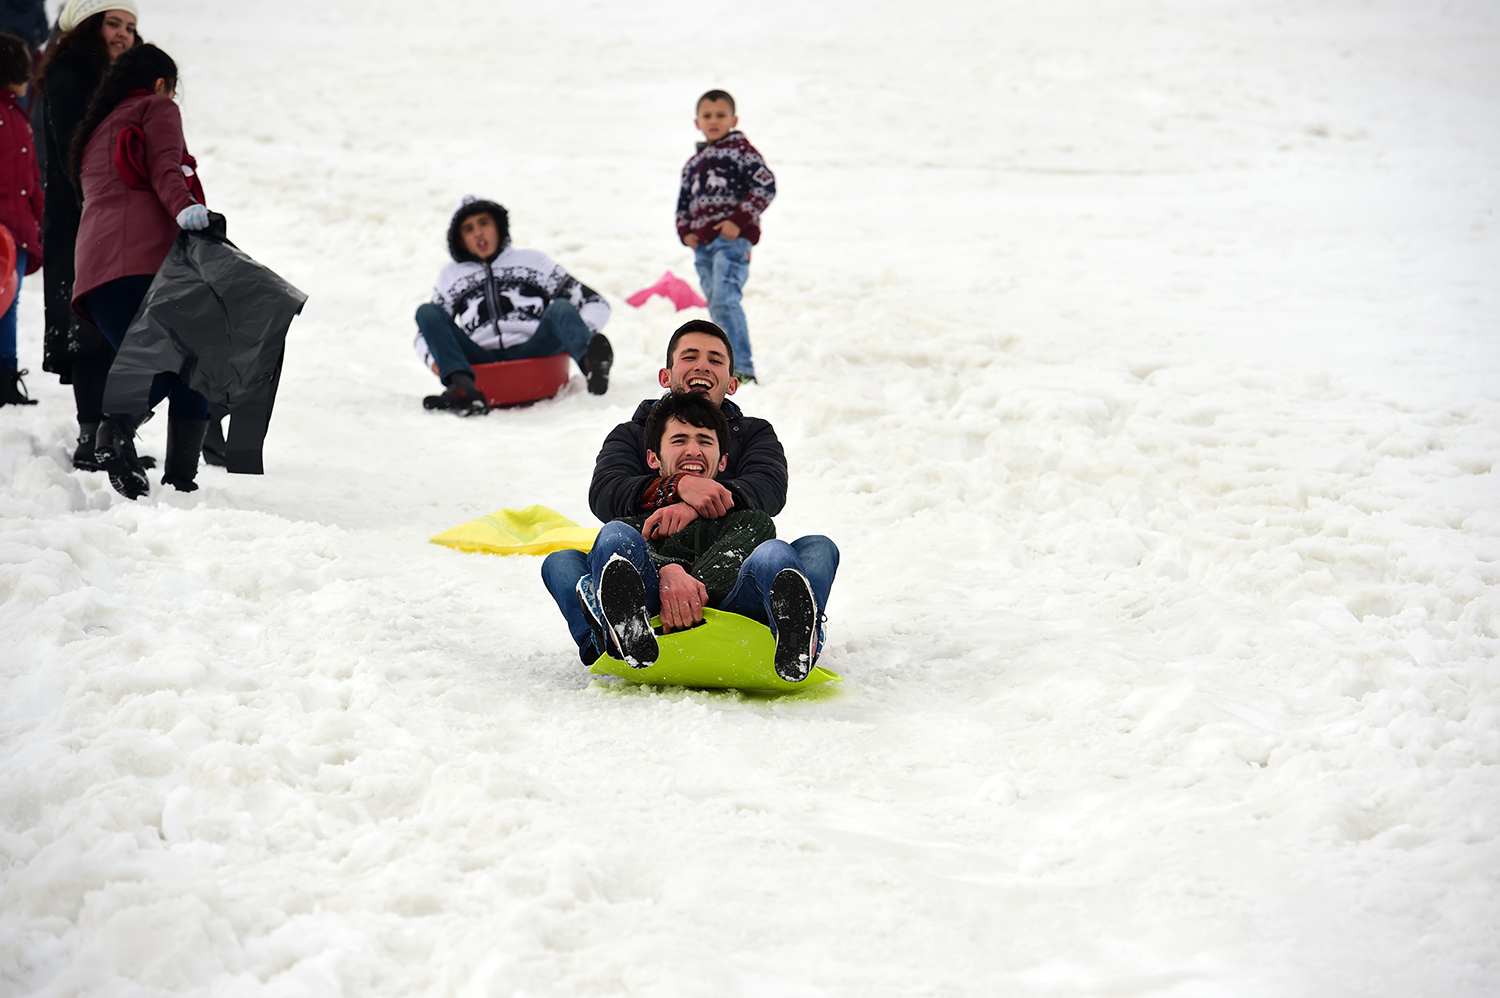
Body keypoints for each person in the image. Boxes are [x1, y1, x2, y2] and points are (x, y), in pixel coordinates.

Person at [544, 391, 837, 681]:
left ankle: (798, 638)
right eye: (679, 440)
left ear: (723, 461)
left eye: (705, 441)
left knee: (779, 554)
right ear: (653, 458)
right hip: (651, 617)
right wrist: (669, 571)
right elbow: (616, 530)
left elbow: (744, 549)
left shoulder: (746, 519)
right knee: (595, 545)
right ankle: (617, 633)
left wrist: (687, 589)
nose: (693, 450)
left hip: (734, 616)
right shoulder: (637, 521)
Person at [71, 42, 209, 499]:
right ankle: (160, 465)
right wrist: (186, 210)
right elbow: (164, 167)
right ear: (159, 84)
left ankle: (131, 452)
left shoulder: (94, 129)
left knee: (170, 362)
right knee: (193, 361)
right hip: (145, 258)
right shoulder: (157, 107)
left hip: (94, 270)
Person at [31, 2, 140, 462]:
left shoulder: (108, 75)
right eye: (113, 24)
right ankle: (91, 437)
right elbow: (73, 155)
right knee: (91, 327)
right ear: (87, 25)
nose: (123, 35)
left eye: (130, 27)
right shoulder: (72, 71)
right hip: (83, 221)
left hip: (104, 219)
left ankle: (104, 435)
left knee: (111, 326)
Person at [414, 195, 613, 415]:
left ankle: (591, 366)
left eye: (484, 223)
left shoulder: (534, 262)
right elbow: (428, 332)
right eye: (468, 229)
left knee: (560, 308)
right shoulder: (450, 277)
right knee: (427, 313)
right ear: (461, 240)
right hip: (479, 355)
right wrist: (435, 362)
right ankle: (462, 387)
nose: (478, 233)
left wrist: (577, 335)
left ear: (498, 226)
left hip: (536, 347)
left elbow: (595, 303)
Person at [587, 319, 786, 524]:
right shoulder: (630, 434)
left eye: (716, 361)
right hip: (645, 548)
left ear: (732, 385)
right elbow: (605, 492)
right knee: (565, 557)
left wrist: (695, 503)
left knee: (815, 546)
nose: (702, 366)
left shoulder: (754, 433)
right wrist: (677, 486)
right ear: (665, 377)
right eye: (690, 357)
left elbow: (769, 488)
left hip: (735, 549)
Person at [676, 89, 775, 384]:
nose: (714, 121)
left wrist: (738, 221)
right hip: (703, 246)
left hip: (730, 242)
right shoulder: (692, 165)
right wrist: (686, 233)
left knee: (725, 299)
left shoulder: (741, 151)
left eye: (721, 115)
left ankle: (742, 368)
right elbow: (683, 203)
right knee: (716, 302)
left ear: (734, 119)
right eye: (708, 116)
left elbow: (765, 185)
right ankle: (726, 365)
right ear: (697, 122)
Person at [0, 31, 41, 405]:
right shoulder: (12, 117)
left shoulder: (16, 116)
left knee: (8, 304)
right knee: (7, 305)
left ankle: (5, 375)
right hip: (11, 230)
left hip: (16, 230)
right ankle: (4, 375)